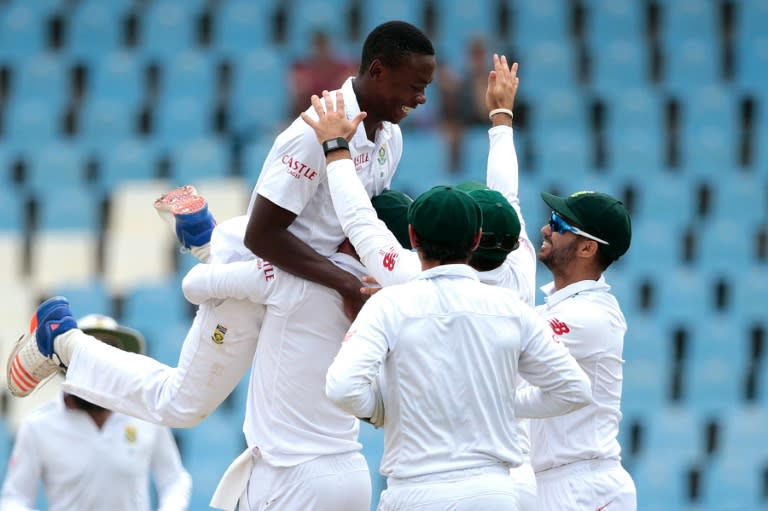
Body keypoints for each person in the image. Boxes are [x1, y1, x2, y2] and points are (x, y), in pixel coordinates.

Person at [5, 182, 413, 511]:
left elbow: (193, 286)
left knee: (178, 403)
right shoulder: (389, 305)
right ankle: (66, 337)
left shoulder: (300, 275)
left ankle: (202, 241)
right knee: (178, 401)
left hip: (296, 471)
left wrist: (231, 273)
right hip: (345, 470)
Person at [303, 55, 539, 508]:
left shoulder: (408, 279)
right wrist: (502, 118)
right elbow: (507, 193)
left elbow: (359, 221)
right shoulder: (520, 265)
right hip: (509, 483)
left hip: (424, 487)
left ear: (415, 238)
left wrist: (335, 148)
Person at [324, 183, 592, 511]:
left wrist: (383, 409)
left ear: (412, 236)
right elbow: (575, 390)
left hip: (416, 490)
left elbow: (342, 388)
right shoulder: (511, 308)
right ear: (476, 240)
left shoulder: (389, 304)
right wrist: (506, 405)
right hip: (493, 494)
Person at [243, 20, 435, 321]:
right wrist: (346, 284)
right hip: (282, 286)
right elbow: (260, 236)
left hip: (328, 282)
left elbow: (358, 221)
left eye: (425, 88)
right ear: (378, 72)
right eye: (415, 87)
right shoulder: (314, 133)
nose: (422, 98)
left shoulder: (391, 135)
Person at [1, 314, 191, 511]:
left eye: (108, 357)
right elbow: (15, 499)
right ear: (69, 364)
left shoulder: (146, 416)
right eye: (90, 359)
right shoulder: (38, 426)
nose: (100, 370)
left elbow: (174, 480)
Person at [532, 190, 637, 510]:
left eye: (558, 223)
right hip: (550, 483)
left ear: (588, 247)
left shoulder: (594, 316)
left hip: (584, 486)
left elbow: (505, 339)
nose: (545, 229)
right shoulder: (555, 310)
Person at [289, 30, 357, 118]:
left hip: (339, 118)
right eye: (317, 45)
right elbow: (296, 105)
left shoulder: (344, 69)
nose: (321, 50)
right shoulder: (302, 69)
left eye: (323, 45)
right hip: (309, 119)